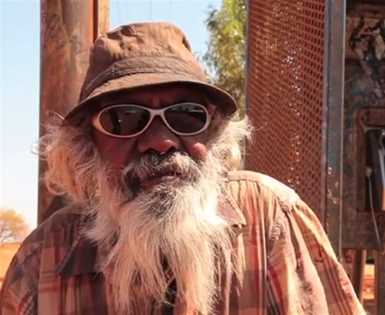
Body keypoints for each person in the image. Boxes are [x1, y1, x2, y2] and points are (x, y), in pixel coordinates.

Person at [0, 22, 364, 315]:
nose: (160, 141)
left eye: (186, 116)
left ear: (214, 133)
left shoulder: (269, 218)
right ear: (87, 146)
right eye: (124, 119)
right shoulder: (43, 260)